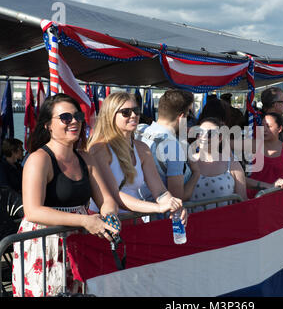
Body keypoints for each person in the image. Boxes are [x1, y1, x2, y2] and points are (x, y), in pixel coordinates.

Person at [12, 94, 120, 297]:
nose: (74, 122)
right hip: (45, 245)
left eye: (77, 116)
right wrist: (84, 220)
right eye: (65, 117)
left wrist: (110, 216)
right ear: (48, 125)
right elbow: (33, 211)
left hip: (79, 243)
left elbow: (106, 200)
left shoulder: (86, 158)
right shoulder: (39, 159)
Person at [87, 92, 185, 223]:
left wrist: (173, 204)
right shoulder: (99, 149)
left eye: (136, 110)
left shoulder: (142, 148)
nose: (133, 115)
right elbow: (114, 195)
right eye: (126, 112)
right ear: (110, 115)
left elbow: (160, 191)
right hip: (106, 222)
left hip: (133, 219)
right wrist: (159, 207)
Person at [140, 89, 200, 202]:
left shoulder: (141, 131)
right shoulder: (173, 146)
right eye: (188, 115)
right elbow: (177, 197)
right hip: (161, 214)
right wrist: (196, 173)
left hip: (140, 208)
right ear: (181, 117)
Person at [189, 117, 247, 211]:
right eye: (200, 133)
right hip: (193, 224)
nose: (204, 137)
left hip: (224, 223)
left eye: (210, 134)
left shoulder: (232, 164)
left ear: (220, 138)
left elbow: (242, 203)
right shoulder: (188, 162)